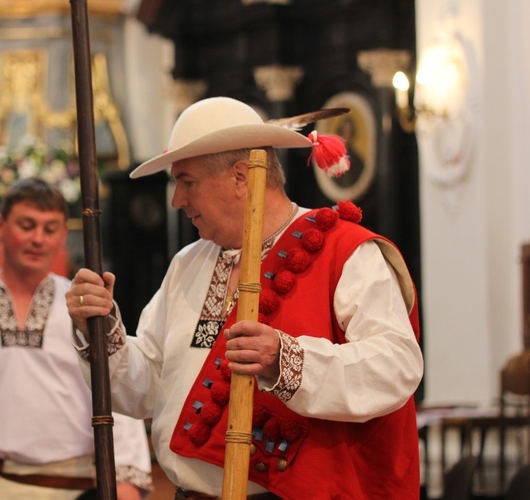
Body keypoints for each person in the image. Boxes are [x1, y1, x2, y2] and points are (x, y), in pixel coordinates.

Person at [66, 97, 424, 499]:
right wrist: (99, 328)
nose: (176, 201)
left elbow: (396, 367)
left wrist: (285, 359)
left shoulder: (347, 252)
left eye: (187, 182)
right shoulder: (189, 262)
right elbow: (147, 385)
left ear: (241, 176)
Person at [0, 177, 153, 499]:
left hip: (80, 485)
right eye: (27, 226)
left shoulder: (84, 305)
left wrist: (124, 485)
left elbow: (116, 391)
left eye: (50, 228)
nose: (38, 239)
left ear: (63, 236)